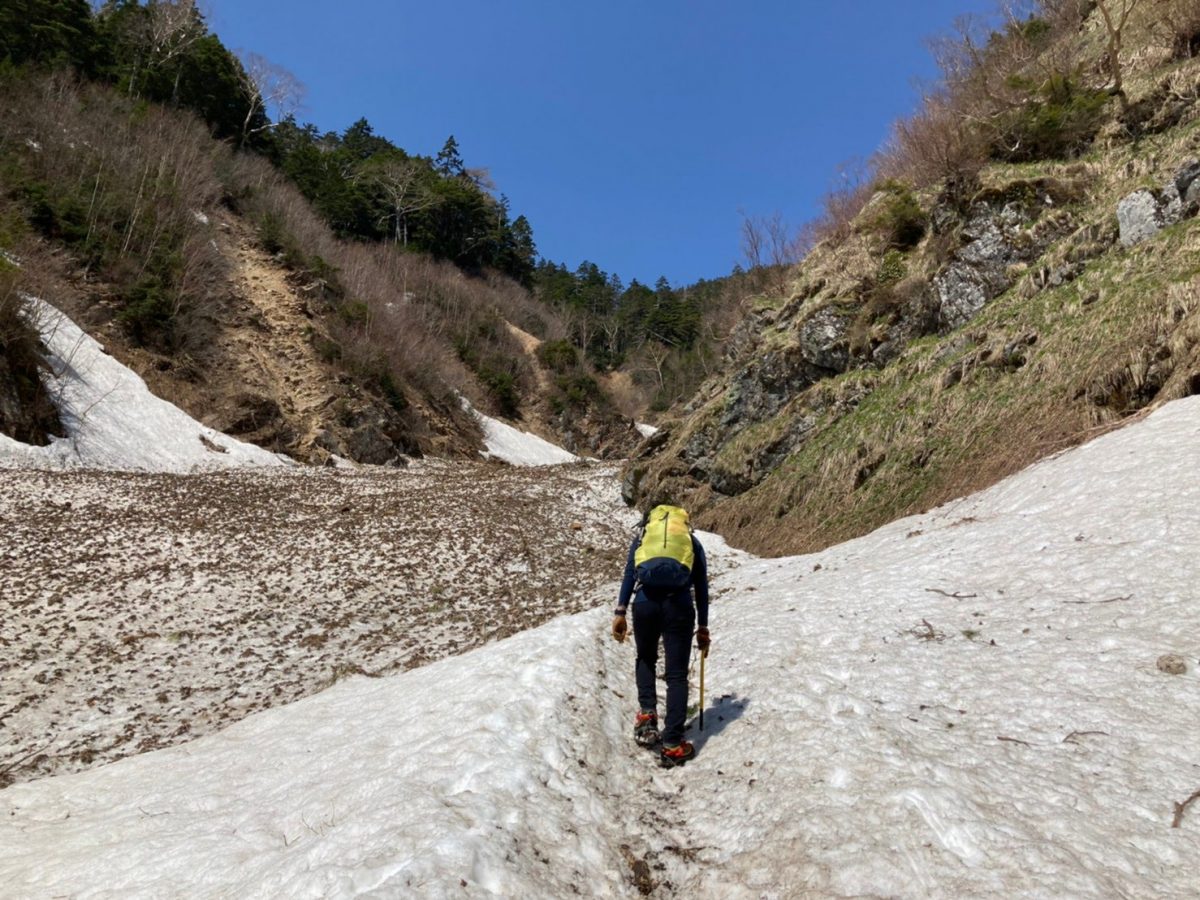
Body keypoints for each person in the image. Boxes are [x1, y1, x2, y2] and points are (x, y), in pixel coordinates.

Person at [611, 502, 711, 767]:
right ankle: (673, 744)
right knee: (676, 674)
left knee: (645, 658)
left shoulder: (642, 539)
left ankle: (647, 717)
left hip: (644, 603)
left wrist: (620, 612)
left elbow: (629, 575)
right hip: (678, 606)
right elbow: (701, 586)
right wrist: (703, 626)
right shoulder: (691, 542)